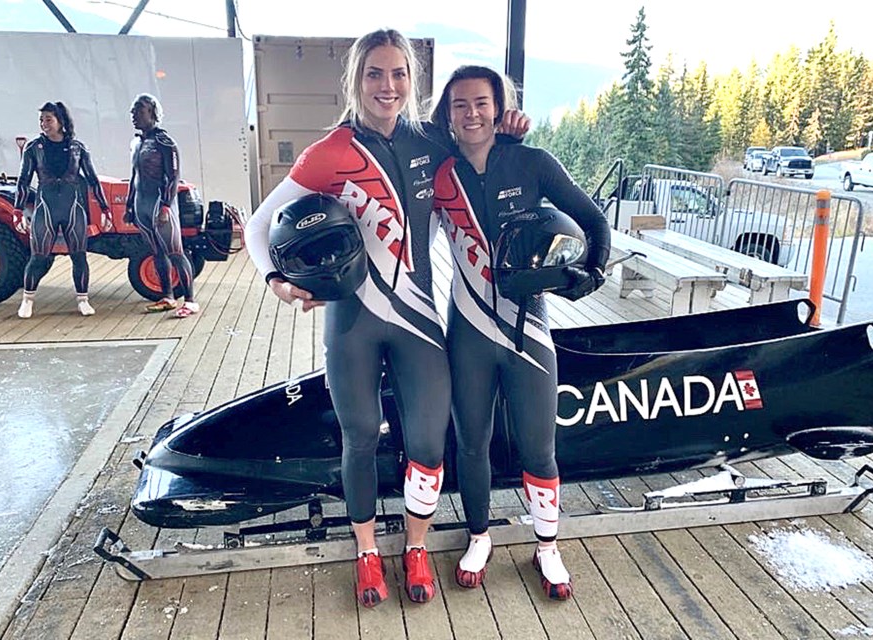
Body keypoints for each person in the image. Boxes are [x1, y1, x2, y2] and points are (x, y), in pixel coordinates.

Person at [246, 30, 528, 608]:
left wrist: (511, 126)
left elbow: (480, 143)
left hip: (421, 321)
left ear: (412, 81)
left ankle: (416, 548)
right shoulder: (329, 150)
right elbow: (259, 227)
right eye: (376, 73)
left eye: (399, 74)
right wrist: (277, 281)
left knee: (427, 442)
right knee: (358, 438)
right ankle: (367, 552)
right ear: (357, 79)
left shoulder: (432, 139)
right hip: (351, 320)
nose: (388, 85)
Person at [431, 65, 611, 600]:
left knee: (539, 446)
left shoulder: (532, 161)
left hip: (530, 331)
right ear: (447, 113)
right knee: (472, 443)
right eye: (460, 105)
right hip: (467, 330)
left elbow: (592, 220)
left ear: (499, 106)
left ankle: (548, 547)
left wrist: (590, 274)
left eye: (482, 103)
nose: (471, 114)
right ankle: (479, 536)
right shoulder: (438, 174)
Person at [13, 101, 112, 318]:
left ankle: (83, 300)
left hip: (72, 208)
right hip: (46, 207)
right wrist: (18, 211)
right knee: (38, 256)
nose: (44, 124)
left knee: (79, 255)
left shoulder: (77, 148)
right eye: (41, 120)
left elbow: (93, 180)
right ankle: (27, 300)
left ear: (61, 121)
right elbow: (23, 181)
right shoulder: (33, 148)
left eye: (48, 119)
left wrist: (105, 209)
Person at [127, 93, 199, 317]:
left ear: (152, 113)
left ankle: (190, 300)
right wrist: (130, 206)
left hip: (160, 204)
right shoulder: (138, 142)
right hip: (142, 204)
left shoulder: (164, 142)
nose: (133, 115)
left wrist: (166, 206)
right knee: (156, 252)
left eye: (139, 110)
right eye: (133, 111)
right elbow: (134, 176)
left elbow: (173, 176)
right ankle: (168, 296)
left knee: (175, 252)